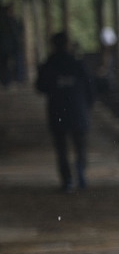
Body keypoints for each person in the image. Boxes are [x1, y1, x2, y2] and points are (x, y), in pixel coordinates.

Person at [35, 32, 94, 191]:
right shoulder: (78, 64)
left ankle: (67, 180)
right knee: (80, 145)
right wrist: (87, 105)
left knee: (61, 148)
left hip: (57, 110)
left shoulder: (49, 64)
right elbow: (90, 87)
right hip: (78, 110)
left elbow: (40, 87)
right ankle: (81, 171)